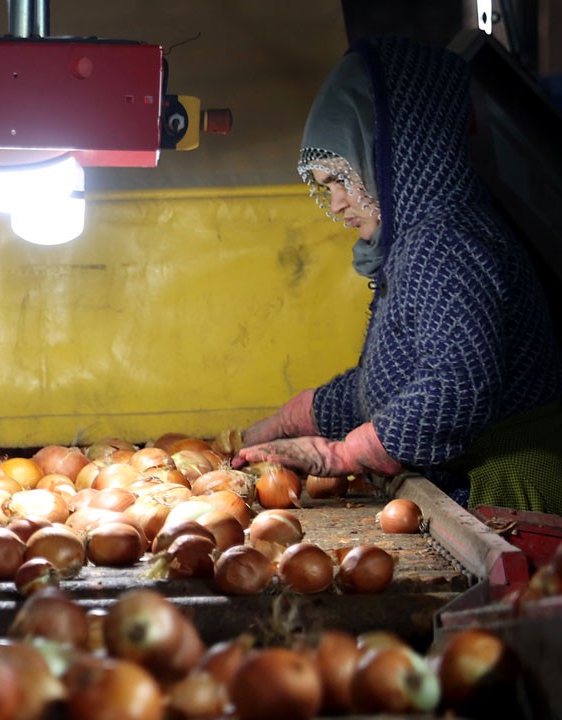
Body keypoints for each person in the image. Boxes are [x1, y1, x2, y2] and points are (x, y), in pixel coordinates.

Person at [234, 37, 562, 514]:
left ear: (390, 154)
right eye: (327, 188)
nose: (337, 204)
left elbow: (456, 387)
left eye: (342, 180)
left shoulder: (448, 241)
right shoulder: (413, 244)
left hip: (515, 491)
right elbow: (388, 382)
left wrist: (340, 454)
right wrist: (294, 418)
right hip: (485, 480)